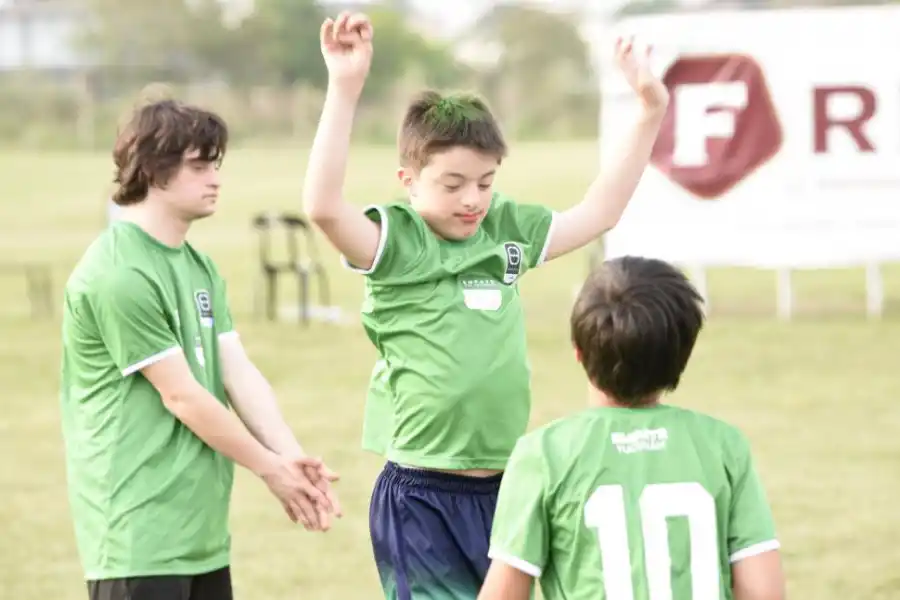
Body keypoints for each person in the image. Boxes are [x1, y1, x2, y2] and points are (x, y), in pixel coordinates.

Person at [303, 10, 670, 600]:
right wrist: (345, 87)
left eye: (486, 181)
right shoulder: (396, 242)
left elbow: (599, 212)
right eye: (452, 185)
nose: (472, 199)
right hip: (421, 491)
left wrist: (650, 110)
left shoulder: (506, 231)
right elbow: (323, 207)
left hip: (508, 487)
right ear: (409, 179)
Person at [60, 99, 341, 600]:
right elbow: (183, 397)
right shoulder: (119, 274)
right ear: (151, 169)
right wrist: (269, 469)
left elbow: (238, 373)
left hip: (201, 534)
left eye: (216, 164)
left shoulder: (199, 266)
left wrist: (292, 456)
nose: (215, 178)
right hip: (136, 535)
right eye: (199, 165)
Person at [478, 256, 786, 600]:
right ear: (682, 355)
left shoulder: (544, 453)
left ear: (578, 351)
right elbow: (764, 591)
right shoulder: (724, 445)